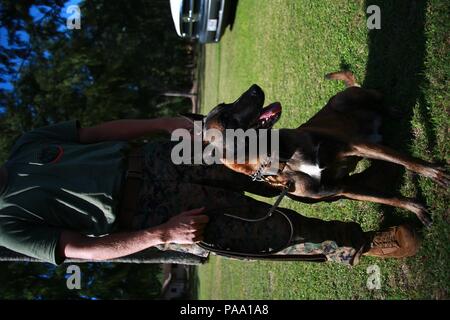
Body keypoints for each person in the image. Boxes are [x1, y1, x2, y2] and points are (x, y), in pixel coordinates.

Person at [0, 119, 419, 266]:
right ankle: (361, 243)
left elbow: (98, 133)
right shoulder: (6, 227)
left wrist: (167, 123)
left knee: (269, 165)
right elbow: (83, 250)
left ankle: (351, 182)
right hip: (155, 212)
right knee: (269, 230)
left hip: (161, 157)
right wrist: (162, 235)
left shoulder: (25, 146)